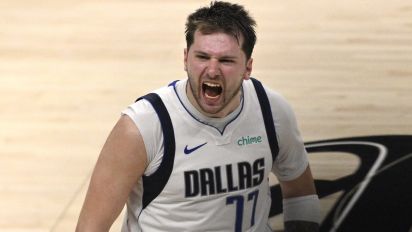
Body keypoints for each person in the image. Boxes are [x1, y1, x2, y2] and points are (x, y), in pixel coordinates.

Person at [76, 1, 320, 232]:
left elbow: (301, 193)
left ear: (248, 67)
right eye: (202, 57)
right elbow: (91, 227)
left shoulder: (271, 109)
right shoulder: (143, 126)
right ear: (185, 58)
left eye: (226, 60)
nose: (212, 70)